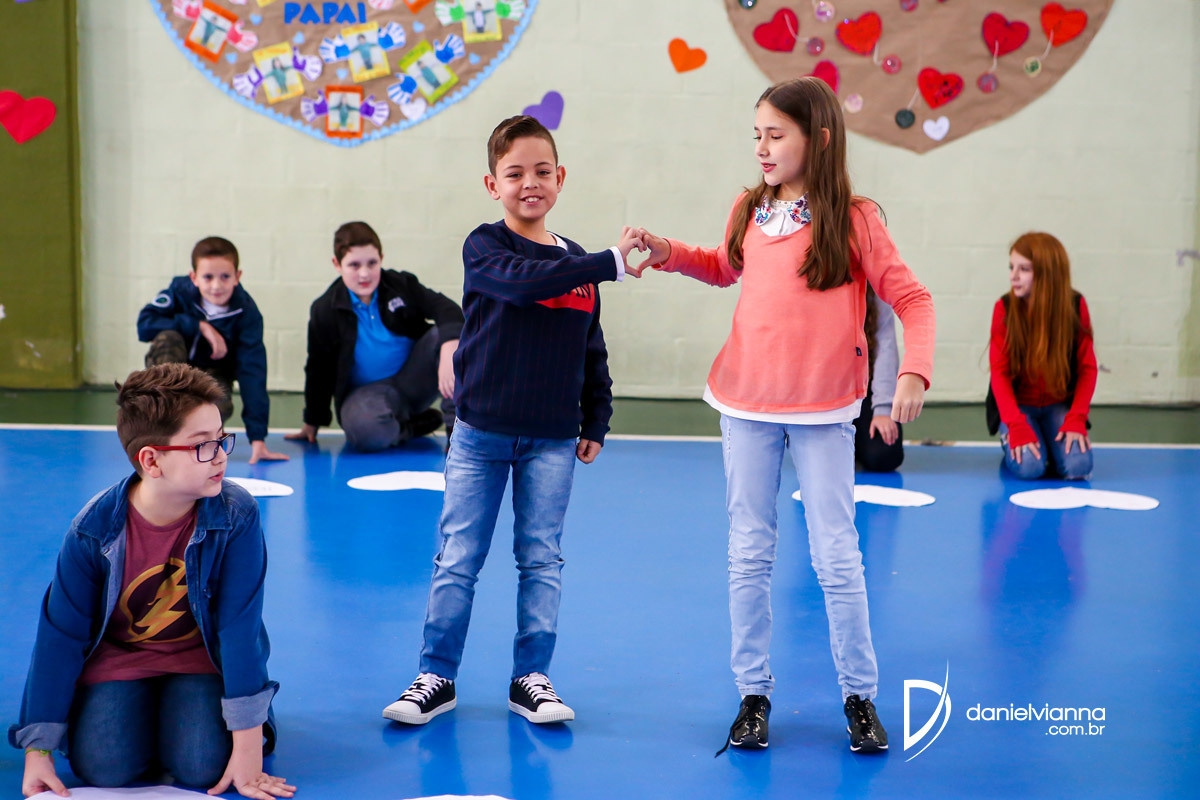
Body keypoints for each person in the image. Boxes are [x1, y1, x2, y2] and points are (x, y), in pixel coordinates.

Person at [631, 77, 935, 754]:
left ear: (817, 139)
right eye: (757, 135)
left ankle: (859, 697)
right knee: (749, 551)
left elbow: (912, 299)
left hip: (825, 409)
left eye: (775, 135)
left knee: (837, 555)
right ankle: (753, 696)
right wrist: (668, 251)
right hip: (745, 403)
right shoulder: (750, 207)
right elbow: (723, 266)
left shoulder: (856, 219)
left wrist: (914, 371)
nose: (762, 148)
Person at [381, 115, 643, 727]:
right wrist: (607, 261)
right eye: (515, 173)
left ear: (561, 178)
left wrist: (596, 419)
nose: (530, 183)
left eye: (542, 171)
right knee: (458, 558)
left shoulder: (577, 265)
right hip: (481, 434)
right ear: (492, 184)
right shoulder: (485, 247)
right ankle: (436, 675)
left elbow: (592, 348)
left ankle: (532, 678)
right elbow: (525, 285)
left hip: (552, 439)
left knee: (541, 559)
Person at [10, 364, 291, 800]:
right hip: (120, 661)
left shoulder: (236, 515)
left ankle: (185, 715)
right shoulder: (93, 530)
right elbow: (59, 639)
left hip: (199, 661)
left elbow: (240, 630)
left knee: (202, 764)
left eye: (221, 438)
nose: (221, 455)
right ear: (151, 460)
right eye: (202, 446)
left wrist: (248, 745)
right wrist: (39, 749)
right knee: (103, 767)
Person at [289, 221, 463, 452]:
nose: (364, 273)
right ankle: (411, 427)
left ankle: (457, 433)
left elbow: (446, 308)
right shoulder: (325, 310)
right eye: (354, 265)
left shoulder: (400, 284)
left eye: (372, 263)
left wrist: (450, 345)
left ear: (381, 258)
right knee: (363, 430)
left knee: (448, 335)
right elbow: (318, 369)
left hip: (415, 380)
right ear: (337, 264)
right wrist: (312, 421)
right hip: (369, 396)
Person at [138, 236, 288, 464]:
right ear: (194, 277)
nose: (216, 286)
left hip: (214, 374)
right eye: (208, 277)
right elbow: (145, 325)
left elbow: (253, 373)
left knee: (219, 405)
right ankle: (162, 426)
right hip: (175, 373)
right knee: (167, 338)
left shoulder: (247, 314)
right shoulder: (178, 292)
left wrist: (258, 438)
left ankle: (201, 432)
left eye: (225, 276)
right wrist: (199, 326)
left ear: (237, 277)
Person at [987, 232, 1096, 480]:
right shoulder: (1004, 308)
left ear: (1048, 273)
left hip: (1057, 405)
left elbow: (1087, 369)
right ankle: (1016, 442)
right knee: (1030, 467)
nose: (1013, 276)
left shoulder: (1075, 306)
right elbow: (999, 374)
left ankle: (1048, 441)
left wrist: (1077, 418)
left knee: (1079, 467)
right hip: (1019, 407)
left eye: (1024, 269)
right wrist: (1015, 424)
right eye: (1012, 267)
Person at [854, 287, 904, 472]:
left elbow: (886, 348)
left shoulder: (873, 290)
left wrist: (883, 409)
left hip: (863, 388)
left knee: (884, 456)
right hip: (827, 394)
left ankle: (856, 440)